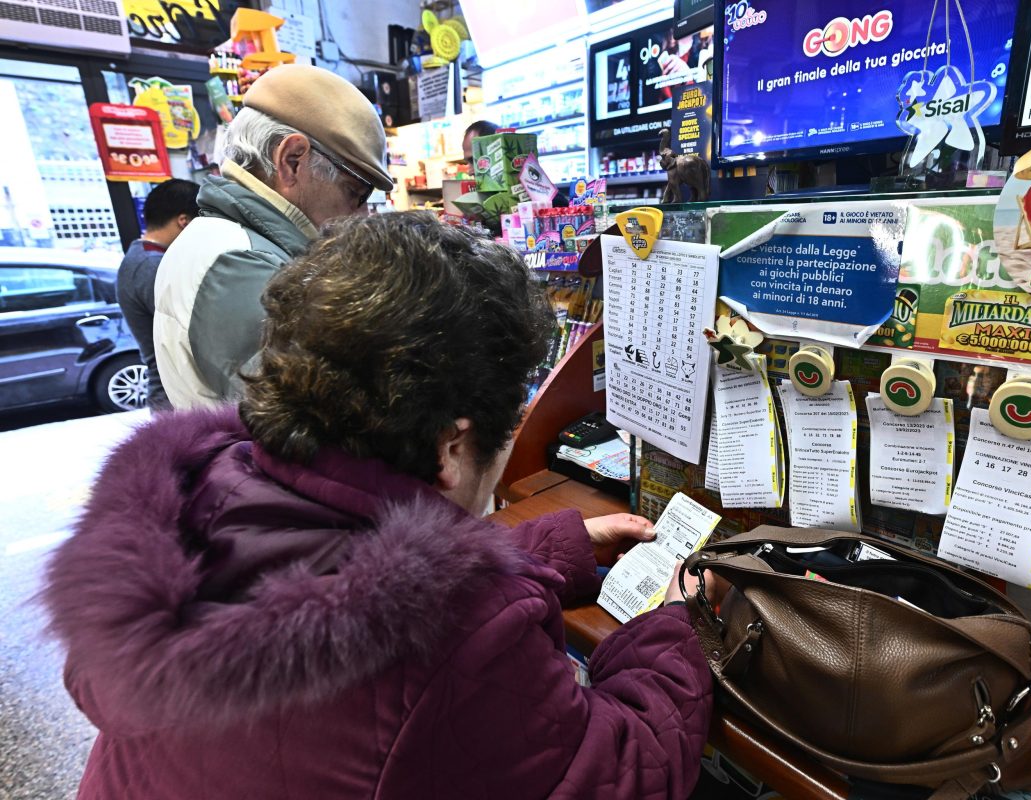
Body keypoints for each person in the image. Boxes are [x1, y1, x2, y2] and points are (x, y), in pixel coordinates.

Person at [45, 212, 716, 800]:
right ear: (453, 446)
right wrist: (678, 621)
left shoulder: (200, 497)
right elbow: (626, 772)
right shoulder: (457, 641)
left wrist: (542, 551)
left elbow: (330, 575)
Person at [154, 64, 394, 411]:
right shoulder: (239, 262)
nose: (360, 215)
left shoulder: (232, 242)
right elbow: (308, 415)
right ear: (292, 161)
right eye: (355, 193)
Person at [116, 179, 199, 411]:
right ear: (184, 222)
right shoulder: (151, 265)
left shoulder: (142, 256)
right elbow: (193, 330)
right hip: (176, 400)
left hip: (172, 395)